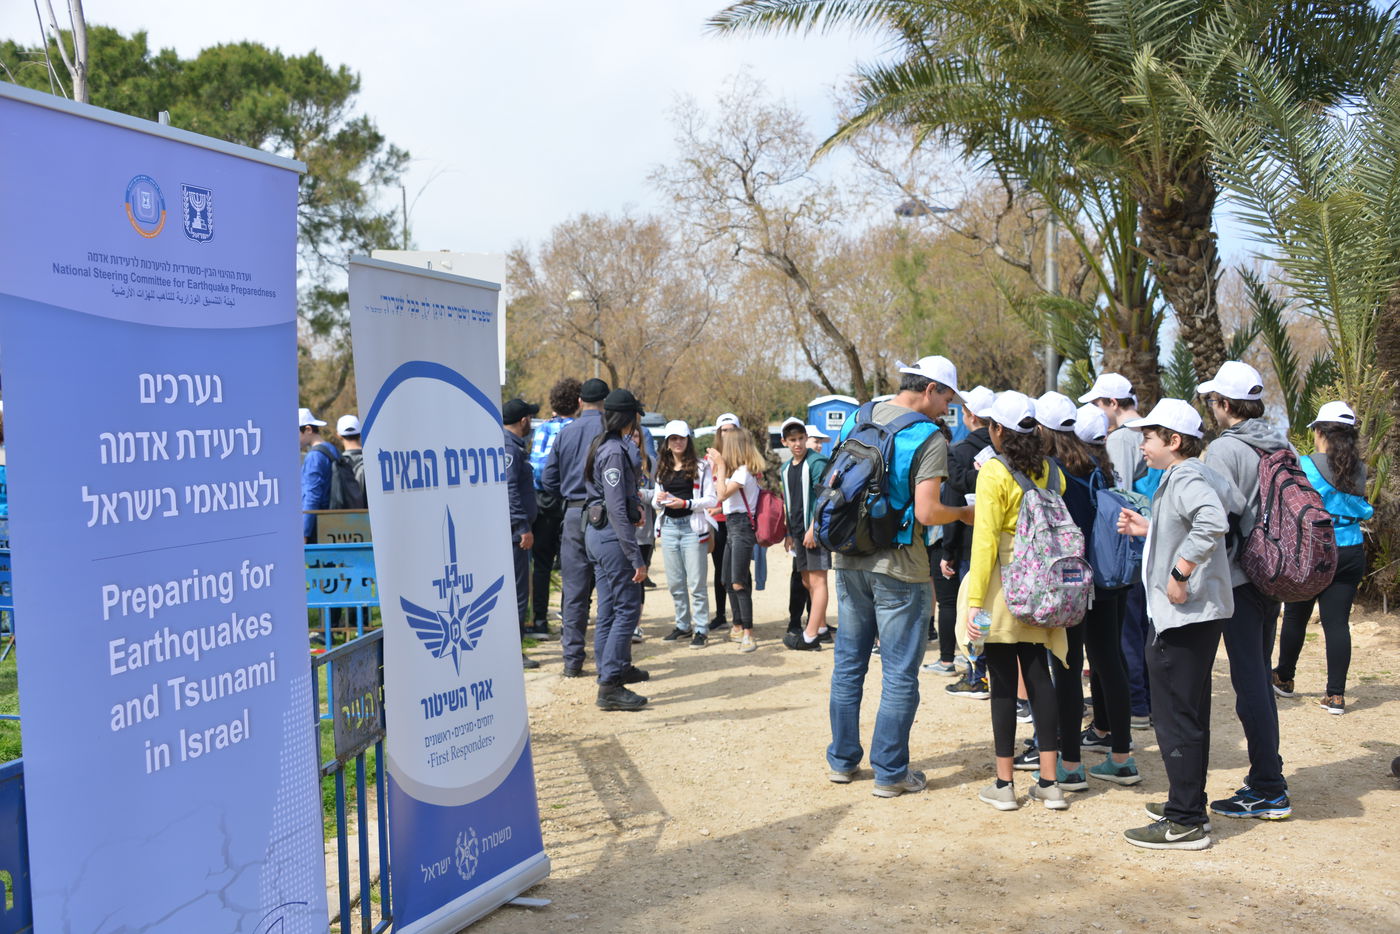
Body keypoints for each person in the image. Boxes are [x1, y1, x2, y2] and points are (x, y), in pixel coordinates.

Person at [827, 356, 973, 798]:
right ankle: (890, 773)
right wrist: (964, 512)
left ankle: (842, 761)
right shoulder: (926, 436)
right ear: (929, 389)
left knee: (848, 665)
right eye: (947, 396)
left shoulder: (860, 414)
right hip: (899, 566)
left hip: (849, 556)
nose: (948, 406)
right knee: (898, 675)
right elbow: (928, 511)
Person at [1116, 398, 1238, 849]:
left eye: (1149, 437)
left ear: (1174, 440)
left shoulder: (1186, 475)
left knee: (1175, 719)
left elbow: (1212, 519)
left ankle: (1185, 820)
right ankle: (1187, 807)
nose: (1142, 445)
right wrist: (1153, 530)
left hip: (1182, 617)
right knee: (1188, 715)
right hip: (1195, 617)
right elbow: (1219, 510)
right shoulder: (1197, 473)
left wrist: (1180, 571)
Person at [959, 391, 1072, 811]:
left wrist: (974, 603)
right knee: (1040, 678)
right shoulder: (1051, 471)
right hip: (1043, 586)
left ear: (997, 429)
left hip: (1002, 590)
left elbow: (985, 541)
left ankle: (1004, 786)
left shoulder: (993, 472)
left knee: (1004, 683)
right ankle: (1049, 781)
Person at [1031, 393, 1141, 791]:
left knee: (1067, 667)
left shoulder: (1053, 472)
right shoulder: (1101, 466)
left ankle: (1072, 765)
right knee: (1111, 661)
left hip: (1074, 581)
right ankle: (1122, 758)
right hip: (1110, 578)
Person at [1197, 360, 1292, 819]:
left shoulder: (1223, 451)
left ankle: (1269, 788)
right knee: (1258, 677)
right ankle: (1266, 774)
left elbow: (1216, 520)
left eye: (1213, 400)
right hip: (1274, 572)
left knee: (1249, 682)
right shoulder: (1280, 443)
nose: (1211, 407)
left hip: (1238, 577)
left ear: (1225, 404)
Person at [1274, 401, 1373, 715]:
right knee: (1337, 623)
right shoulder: (1360, 468)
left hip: (1313, 548)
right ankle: (1336, 697)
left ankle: (1284, 678)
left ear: (1320, 431)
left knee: (1295, 616)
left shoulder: (1304, 464)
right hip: (1351, 548)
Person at [1080, 373, 1153, 731]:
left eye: (1098, 403)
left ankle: (1137, 703)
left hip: (1129, 542)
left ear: (1112, 403)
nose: (1096, 410)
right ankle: (1142, 700)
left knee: (1126, 632)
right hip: (1146, 539)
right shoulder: (1146, 432)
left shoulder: (1124, 438)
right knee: (1139, 627)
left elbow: (1117, 496)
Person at [584, 389, 651, 710]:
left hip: (600, 536)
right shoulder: (612, 451)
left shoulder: (607, 445)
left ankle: (612, 669)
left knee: (610, 608)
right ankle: (609, 684)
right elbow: (616, 510)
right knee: (627, 607)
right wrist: (635, 557)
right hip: (610, 538)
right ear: (628, 417)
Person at [541, 377, 611, 677]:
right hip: (605, 515)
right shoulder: (611, 432)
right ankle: (608, 658)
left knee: (574, 591)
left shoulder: (566, 433)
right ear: (605, 403)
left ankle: (572, 661)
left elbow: (548, 480)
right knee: (608, 587)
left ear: (580, 402)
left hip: (572, 513)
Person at [939, 385, 995, 689]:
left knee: (975, 611)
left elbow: (953, 504)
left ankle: (977, 672)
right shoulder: (1009, 450)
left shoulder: (958, 452)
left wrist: (948, 551)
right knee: (996, 607)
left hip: (970, 546)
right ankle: (997, 671)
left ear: (969, 414)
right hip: (1006, 546)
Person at [654, 420, 718, 648]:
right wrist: (659, 500)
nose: (677, 442)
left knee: (696, 583)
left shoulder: (701, 467)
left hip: (692, 528)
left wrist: (686, 503)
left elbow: (712, 499)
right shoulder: (662, 466)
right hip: (669, 526)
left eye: (681, 438)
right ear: (667, 443)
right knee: (675, 582)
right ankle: (682, 625)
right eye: (673, 438)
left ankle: (701, 628)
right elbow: (656, 499)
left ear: (687, 440)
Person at [526, 377, 581, 640]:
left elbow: (536, 468)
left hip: (545, 502)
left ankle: (539, 621)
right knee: (572, 564)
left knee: (542, 565)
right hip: (571, 503)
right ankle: (568, 621)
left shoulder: (543, 430)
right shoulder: (580, 430)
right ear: (578, 402)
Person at [708, 419, 768, 653]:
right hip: (734, 525)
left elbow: (721, 493)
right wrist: (719, 510)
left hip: (742, 529)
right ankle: (737, 625)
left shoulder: (742, 472)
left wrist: (720, 467)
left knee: (738, 581)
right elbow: (730, 501)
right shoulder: (739, 473)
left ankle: (748, 633)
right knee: (726, 579)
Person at [778, 417, 830, 651]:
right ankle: (818, 626)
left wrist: (813, 528)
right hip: (798, 533)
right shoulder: (786, 468)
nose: (798, 443)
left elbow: (825, 497)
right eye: (792, 440)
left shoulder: (817, 462)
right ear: (784, 442)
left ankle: (811, 635)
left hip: (814, 532)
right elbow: (789, 502)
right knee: (806, 580)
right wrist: (790, 532)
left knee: (818, 581)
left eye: (801, 438)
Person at [503, 397, 541, 670]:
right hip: (514, 533)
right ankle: (513, 650)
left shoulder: (513, 446)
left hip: (513, 530)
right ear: (524, 420)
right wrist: (522, 527)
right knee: (517, 593)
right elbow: (509, 490)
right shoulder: (509, 448)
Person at [299, 407, 336, 543]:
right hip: (332, 523)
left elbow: (312, 495)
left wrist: (304, 533)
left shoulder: (314, 456)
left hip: (318, 527)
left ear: (308, 429)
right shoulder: (331, 449)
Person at [328, 415, 368, 510]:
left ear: (338, 435)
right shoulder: (372, 460)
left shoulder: (337, 462)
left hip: (346, 518)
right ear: (360, 433)